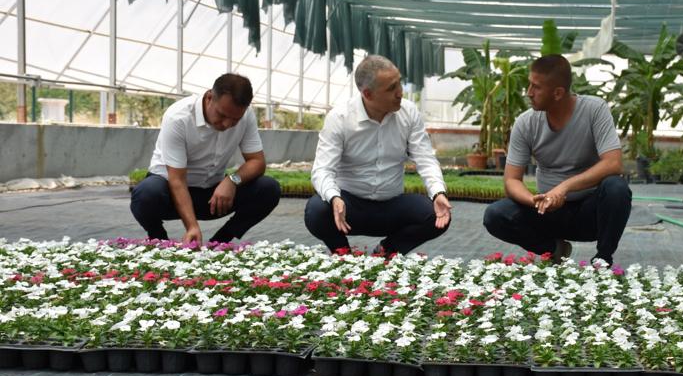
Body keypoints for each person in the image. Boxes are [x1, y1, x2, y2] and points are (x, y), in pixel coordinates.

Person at [482, 54, 631, 266]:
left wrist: (564, 188)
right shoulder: (526, 123)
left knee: (617, 188)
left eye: (536, 87)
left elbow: (613, 163)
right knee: (496, 215)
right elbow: (511, 180)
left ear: (558, 93)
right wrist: (534, 201)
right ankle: (554, 249)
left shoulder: (594, 110)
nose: (529, 92)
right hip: (546, 213)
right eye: (529, 84)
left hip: (590, 214)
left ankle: (603, 260)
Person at [305, 55, 451, 255]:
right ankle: (343, 255)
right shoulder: (340, 118)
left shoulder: (409, 113)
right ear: (368, 94)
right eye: (391, 88)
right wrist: (334, 198)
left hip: (391, 206)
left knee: (437, 215)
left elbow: (425, 159)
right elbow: (322, 170)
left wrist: (438, 192)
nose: (400, 92)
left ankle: (386, 251)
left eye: (399, 83)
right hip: (348, 207)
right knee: (316, 211)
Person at [131, 73, 281, 244]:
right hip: (169, 192)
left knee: (268, 189)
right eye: (222, 115)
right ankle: (160, 240)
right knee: (146, 193)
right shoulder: (178, 117)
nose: (227, 124)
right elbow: (177, 180)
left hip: (212, 196)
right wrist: (192, 227)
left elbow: (257, 162)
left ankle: (220, 242)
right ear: (209, 97)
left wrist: (232, 181)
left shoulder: (246, 115)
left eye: (235, 120)